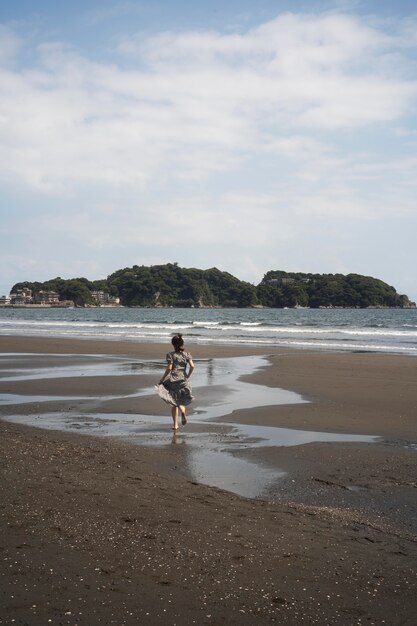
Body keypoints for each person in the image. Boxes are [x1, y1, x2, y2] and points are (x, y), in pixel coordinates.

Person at [157, 334, 195, 431]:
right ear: (182, 344)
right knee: (181, 401)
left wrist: (162, 379)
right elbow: (192, 366)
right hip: (183, 379)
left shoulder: (170, 355)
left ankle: (175, 425)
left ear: (173, 345)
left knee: (173, 403)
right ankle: (183, 412)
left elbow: (169, 368)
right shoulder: (187, 354)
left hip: (173, 380)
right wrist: (188, 376)